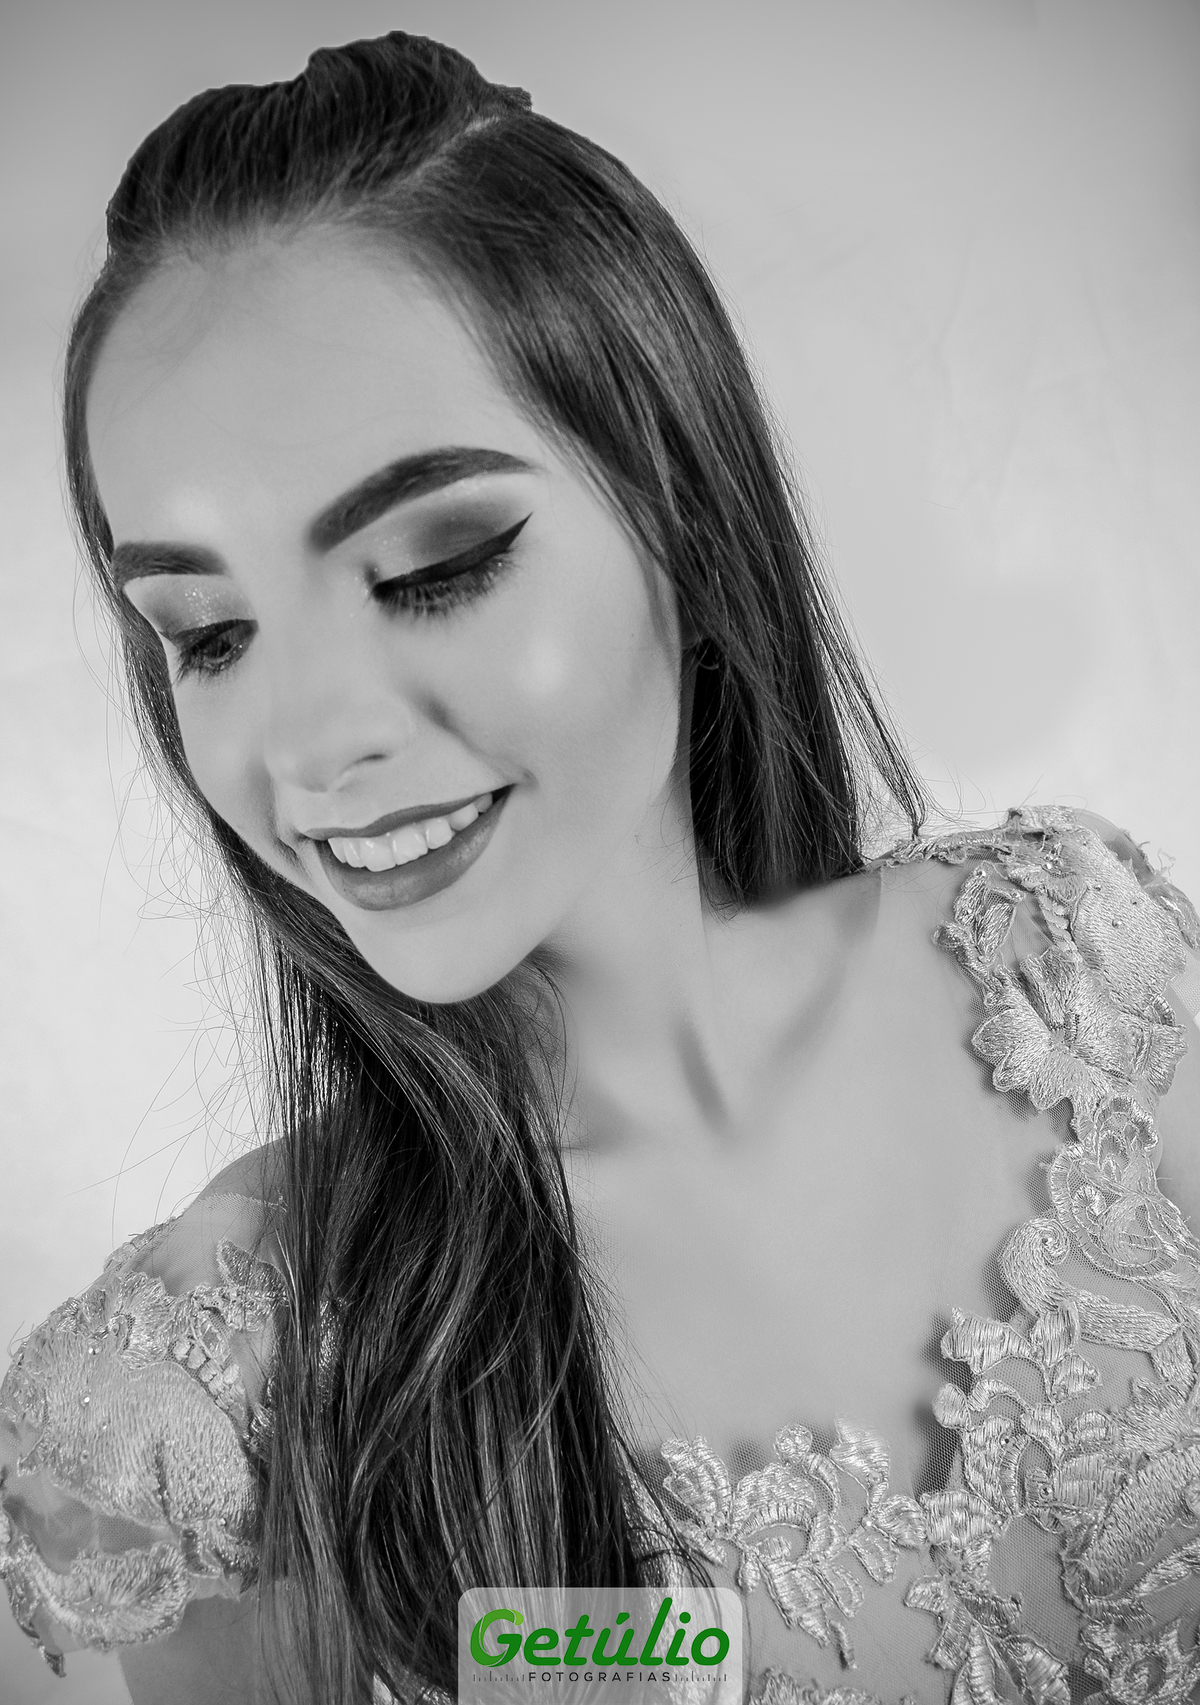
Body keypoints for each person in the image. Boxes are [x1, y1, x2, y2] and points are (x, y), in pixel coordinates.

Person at [3, 28, 1200, 1705]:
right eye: (209, 634)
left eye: (433, 567)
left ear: (680, 515)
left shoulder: (1078, 975)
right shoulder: (218, 1389)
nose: (309, 741)